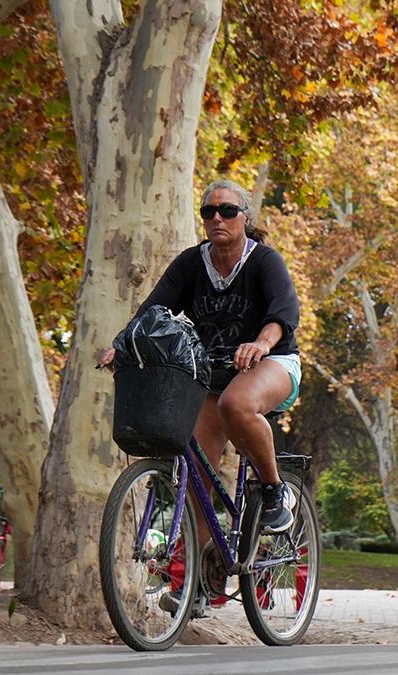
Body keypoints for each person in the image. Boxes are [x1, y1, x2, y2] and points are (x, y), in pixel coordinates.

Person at [99, 178, 302, 536]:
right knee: (195, 480)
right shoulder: (191, 264)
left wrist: (261, 344)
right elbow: (153, 311)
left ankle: (274, 490)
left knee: (235, 404)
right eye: (209, 211)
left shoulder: (264, 261)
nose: (217, 218)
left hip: (273, 363)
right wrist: (123, 344)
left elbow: (283, 314)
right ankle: (202, 576)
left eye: (228, 210)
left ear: (245, 218)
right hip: (212, 374)